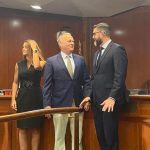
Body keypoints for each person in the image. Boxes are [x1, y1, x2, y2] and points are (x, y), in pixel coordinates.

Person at [80, 22, 128, 150]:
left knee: (110, 137)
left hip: (109, 102)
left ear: (103, 33)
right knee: (101, 136)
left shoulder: (117, 49)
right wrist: (88, 96)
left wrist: (112, 98)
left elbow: (120, 76)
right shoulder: (97, 54)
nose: (93, 37)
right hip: (97, 102)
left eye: (94, 34)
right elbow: (93, 78)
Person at [42, 31, 91, 150]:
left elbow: (87, 81)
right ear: (60, 43)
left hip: (78, 104)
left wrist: (87, 97)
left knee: (77, 138)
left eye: (73, 40)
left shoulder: (80, 60)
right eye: (69, 40)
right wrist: (47, 105)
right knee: (59, 139)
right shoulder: (51, 61)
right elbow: (47, 85)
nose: (72, 42)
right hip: (59, 105)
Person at [11, 39, 46, 150]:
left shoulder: (42, 62)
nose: (23, 49)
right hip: (22, 97)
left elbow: (36, 66)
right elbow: (15, 82)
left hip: (36, 97)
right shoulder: (18, 64)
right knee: (22, 128)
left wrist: (34, 46)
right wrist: (13, 99)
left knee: (36, 128)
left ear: (32, 49)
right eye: (23, 47)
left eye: (26, 47)